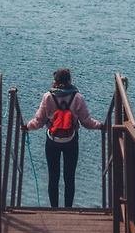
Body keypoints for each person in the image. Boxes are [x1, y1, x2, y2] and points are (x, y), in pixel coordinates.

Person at [23, 68, 104, 208]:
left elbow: (39, 121)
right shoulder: (77, 97)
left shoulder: (48, 96)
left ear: (55, 81)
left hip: (52, 140)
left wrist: (26, 127)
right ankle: (68, 208)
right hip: (71, 141)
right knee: (69, 177)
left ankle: (54, 208)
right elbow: (86, 122)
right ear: (70, 81)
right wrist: (101, 126)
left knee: (53, 177)